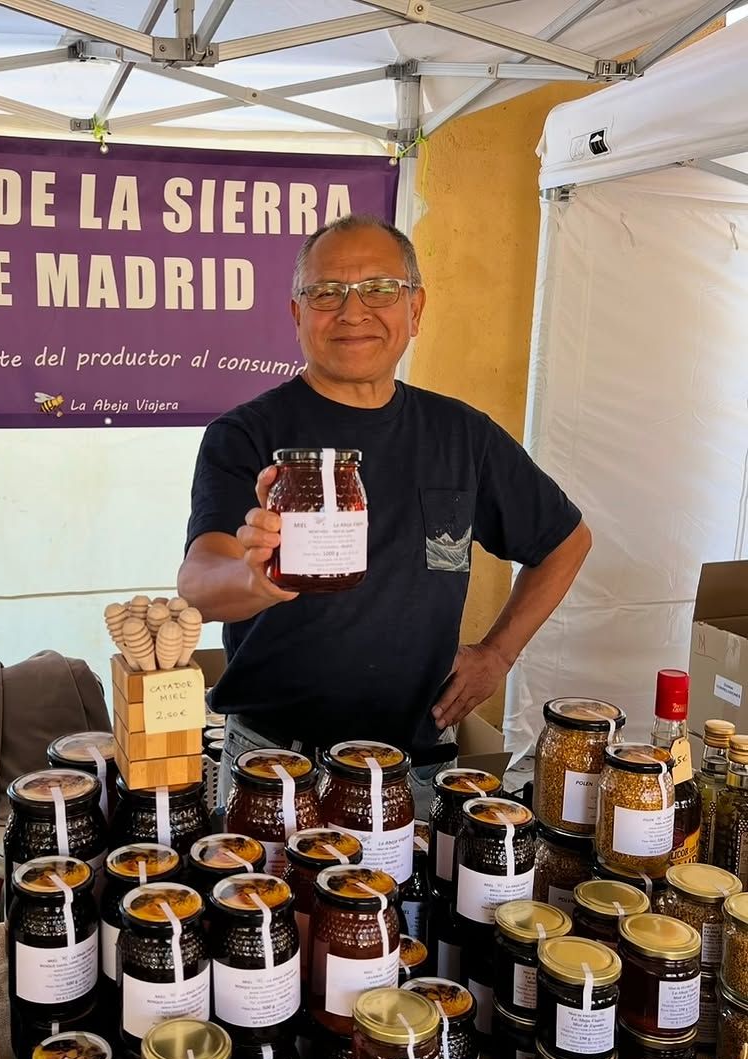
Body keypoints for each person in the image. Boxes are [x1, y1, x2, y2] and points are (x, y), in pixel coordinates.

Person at [177, 214, 591, 804]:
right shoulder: (245, 434)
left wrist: (499, 653)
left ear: (415, 309)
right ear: (297, 315)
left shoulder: (462, 435)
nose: (351, 312)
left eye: (378, 289)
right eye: (326, 293)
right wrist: (257, 577)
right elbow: (198, 582)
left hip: (415, 771)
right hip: (274, 768)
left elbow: (565, 541)